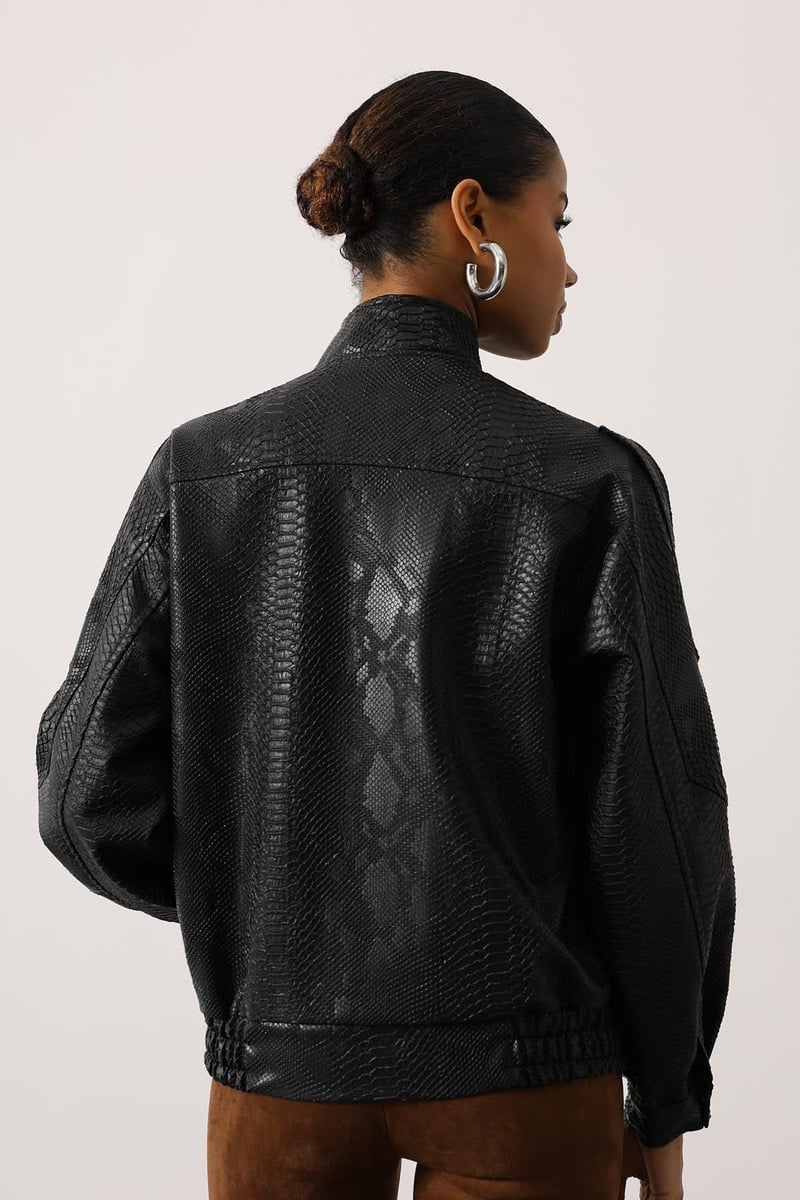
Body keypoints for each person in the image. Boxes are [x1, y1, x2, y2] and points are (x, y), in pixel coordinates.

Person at [36, 70, 735, 1200]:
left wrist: (275, 909)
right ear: (473, 216)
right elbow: (657, 835)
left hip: (279, 1081)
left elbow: (83, 796)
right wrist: (665, 1102)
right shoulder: (586, 480)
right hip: (529, 1075)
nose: (568, 265)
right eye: (557, 220)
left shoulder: (202, 468)